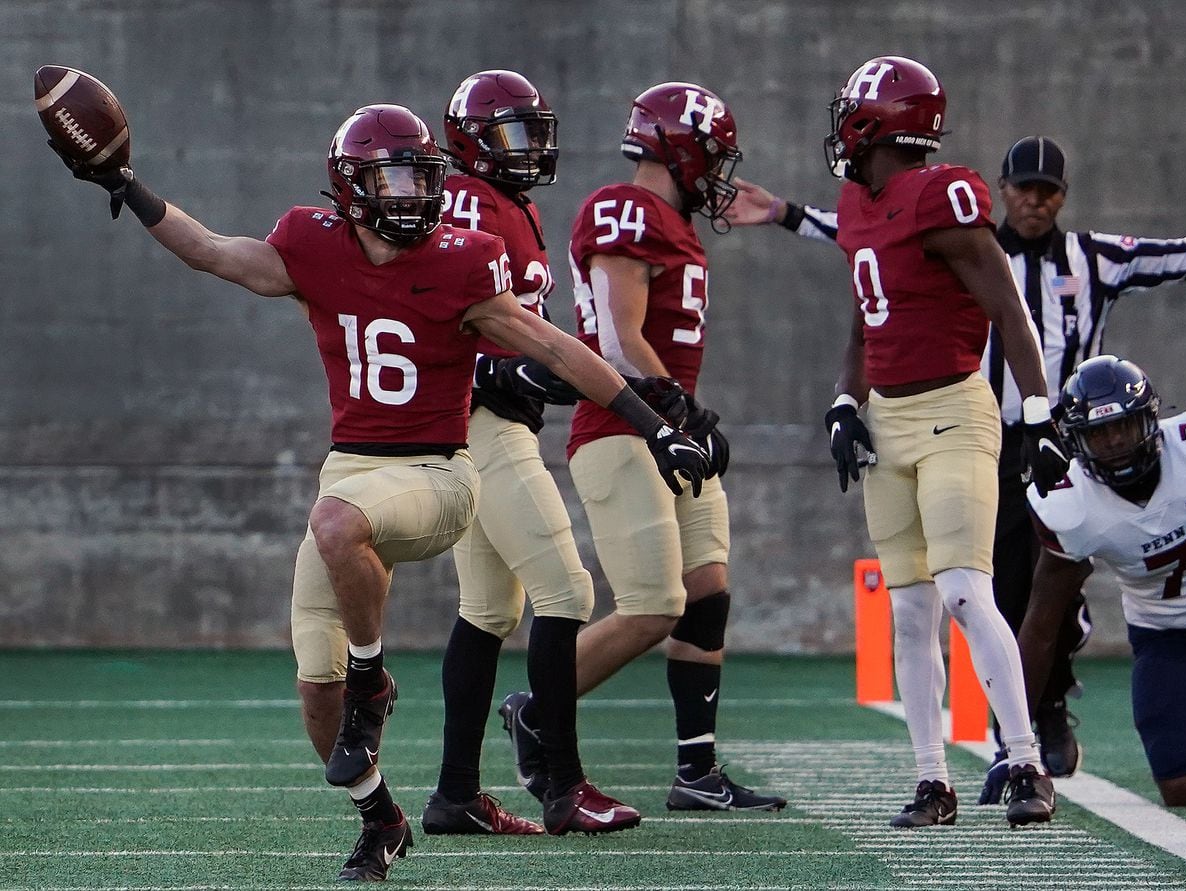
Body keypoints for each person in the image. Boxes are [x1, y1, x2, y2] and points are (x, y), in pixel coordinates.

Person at [48, 102, 708, 880]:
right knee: (314, 685)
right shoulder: (311, 245)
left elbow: (559, 349)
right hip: (352, 471)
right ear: (352, 188)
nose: (413, 194)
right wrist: (126, 182)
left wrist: (653, 421)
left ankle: (375, 679)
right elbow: (215, 252)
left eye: (421, 176)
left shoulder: (466, 259)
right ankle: (382, 815)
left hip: (439, 474)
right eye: (394, 177)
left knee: (335, 533)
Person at [725, 135, 1186, 783]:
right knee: (988, 585)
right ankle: (1019, 727)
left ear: (1063, 197)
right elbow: (868, 241)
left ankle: (1044, 715)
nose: (1034, 200)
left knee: (1044, 585)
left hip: (1062, 444)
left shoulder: (1093, 258)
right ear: (1003, 189)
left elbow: (1180, 256)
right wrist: (786, 214)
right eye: (1024, 187)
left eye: (1047, 190)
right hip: (982, 437)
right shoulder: (941, 228)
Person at [497, 81, 786, 813]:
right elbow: (623, 344)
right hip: (625, 429)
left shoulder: (672, 221)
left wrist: (687, 420)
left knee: (707, 591)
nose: (717, 174)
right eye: (711, 156)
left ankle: (697, 773)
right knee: (654, 605)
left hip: (670, 428)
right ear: (678, 148)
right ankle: (536, 706)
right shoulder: (626, 210)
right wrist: (682, 412)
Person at [816, 55, 1066, 828]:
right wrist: (844, 402)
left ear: (878, 121)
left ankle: (1024, 760)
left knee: (963, 589)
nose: (843, 129)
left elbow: (1007, 307)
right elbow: (869, 314)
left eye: (854, 114)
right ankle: (933, 780)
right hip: (886, 421)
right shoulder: (859, 203)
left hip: (956, 411)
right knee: (910, 611)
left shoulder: (941, 195)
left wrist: (1039, 411)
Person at [429, 69, 640, 836]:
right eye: (514, 133)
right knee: (568, 592)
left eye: (535, 132)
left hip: (486, 419)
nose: (531, 149)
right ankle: (564, 784)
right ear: (473, 142)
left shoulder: (501, 204)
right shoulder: (474, 204)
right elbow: (450, 313)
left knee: (487, 608)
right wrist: (498, 365)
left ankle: (455, 794)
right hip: (484, 420)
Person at [1019, 355, 1186, 808]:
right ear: (1076, 442)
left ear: (1150, 420)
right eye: (1097, 434)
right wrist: (1014, 739)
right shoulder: (1071, 504)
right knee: (1184, 791)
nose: (1113, 444)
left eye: (1122, 427)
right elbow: (1041, 624)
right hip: (1167, 633)